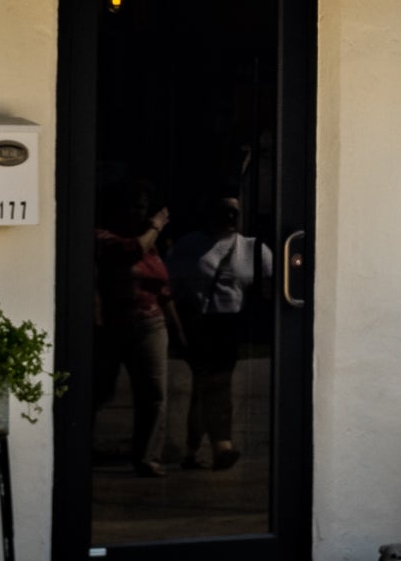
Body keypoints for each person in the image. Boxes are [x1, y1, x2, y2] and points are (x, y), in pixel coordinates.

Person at [170, 198, 271, 472]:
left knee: (205, 387)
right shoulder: (190, 246)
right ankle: (221, 444)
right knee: (215, 384)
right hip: (200, 323)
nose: (229, 216)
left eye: (234, 212)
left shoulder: (252, 248)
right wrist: (178, 327)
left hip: (231, 324)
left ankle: (193, 449)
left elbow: (270, 287)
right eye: (223, 210)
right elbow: (172, 290)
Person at [94, 179, 178, 475]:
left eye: (142, 207)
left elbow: (163, 289)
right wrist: (155, 226)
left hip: (150, 324)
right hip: (113, 325)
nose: (136, 212)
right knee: (100, 391)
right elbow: (130, 251)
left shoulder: (150, 244)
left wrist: (177, 329)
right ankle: (79, 446)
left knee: (154, 393)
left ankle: (147, 457)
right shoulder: (104, 238)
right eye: (131, 206)